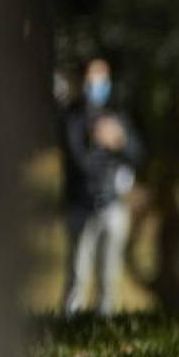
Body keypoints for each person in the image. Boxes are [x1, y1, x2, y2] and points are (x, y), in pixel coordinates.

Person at [58, 57, 145, 316]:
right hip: (81, 204)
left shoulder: (115, 116)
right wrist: (101, 146)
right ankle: (70, 320)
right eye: (92, 77)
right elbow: (77, 160)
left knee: (109, 272)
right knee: (78, 271)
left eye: (101, 77)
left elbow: (137, 153)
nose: (96, 84)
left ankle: (103, 319)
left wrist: (118, 141)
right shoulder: (72, 118)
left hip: (112, 204)